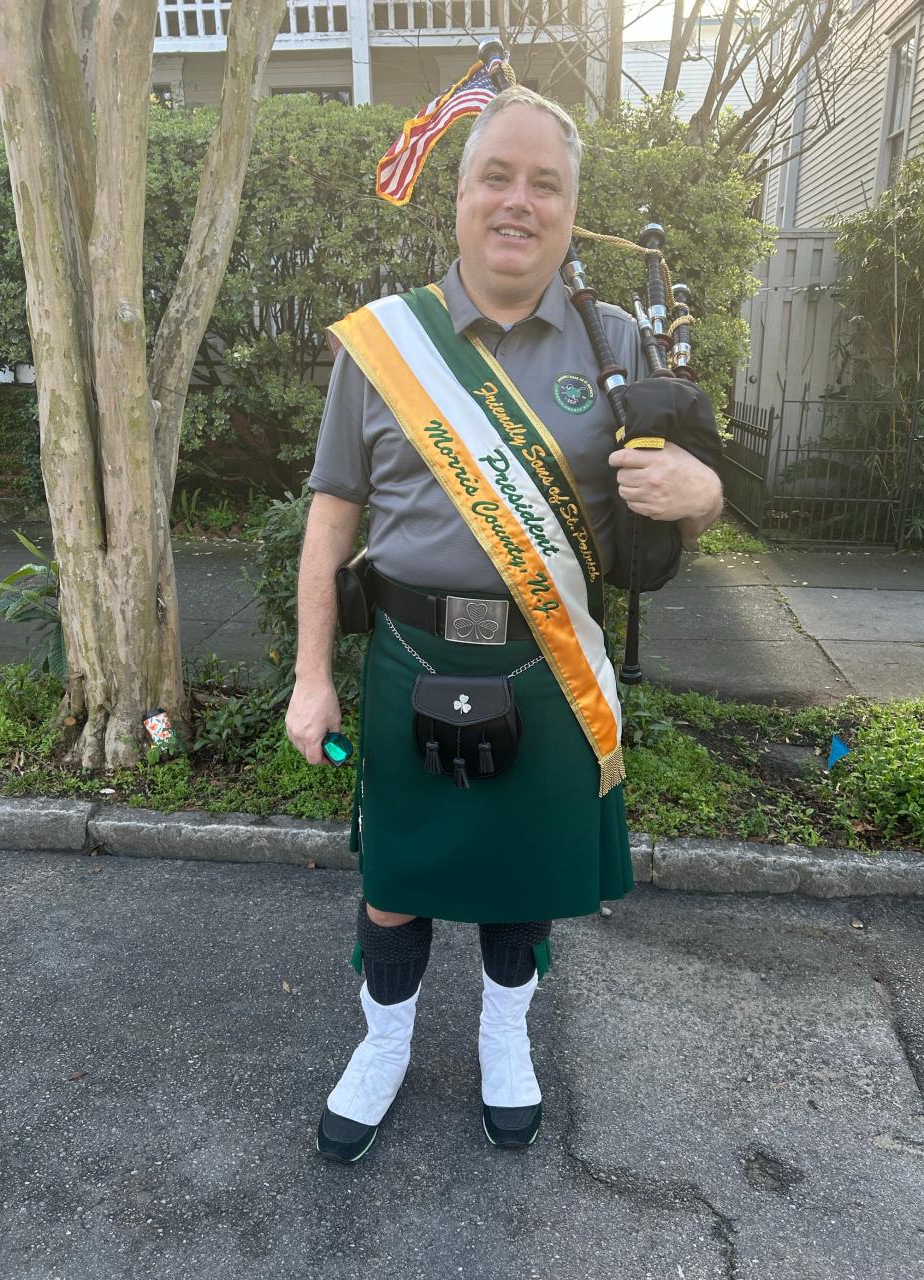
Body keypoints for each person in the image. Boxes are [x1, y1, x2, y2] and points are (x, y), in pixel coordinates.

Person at [285, 86, 723, 1164]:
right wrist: (310, 673)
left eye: (545, 184)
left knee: (519, 881)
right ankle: (382, 1045)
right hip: (406, 654)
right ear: (461, 195)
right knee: (395, 880)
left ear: (572, 213)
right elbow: (328, 524)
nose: (517, 201)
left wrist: (698, 492)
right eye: (497, 176)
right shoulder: (385, 344)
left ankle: (504, 1036)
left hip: (546, 667)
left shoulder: (614, 340)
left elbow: (697, 493)